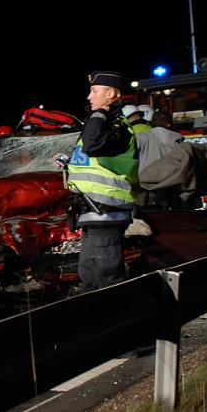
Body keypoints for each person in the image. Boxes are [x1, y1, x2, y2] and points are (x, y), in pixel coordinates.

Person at [65, 71, 138, 293]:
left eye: (94, 91)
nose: (89, 97)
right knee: (88, 272)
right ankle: (95, 320)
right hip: (93, 210)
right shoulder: (103, 123)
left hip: (106, 210)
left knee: (106, 275)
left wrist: (98, 115)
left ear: (111, 94)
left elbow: (92, 145)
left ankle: (118, 320)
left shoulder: (115, 125)